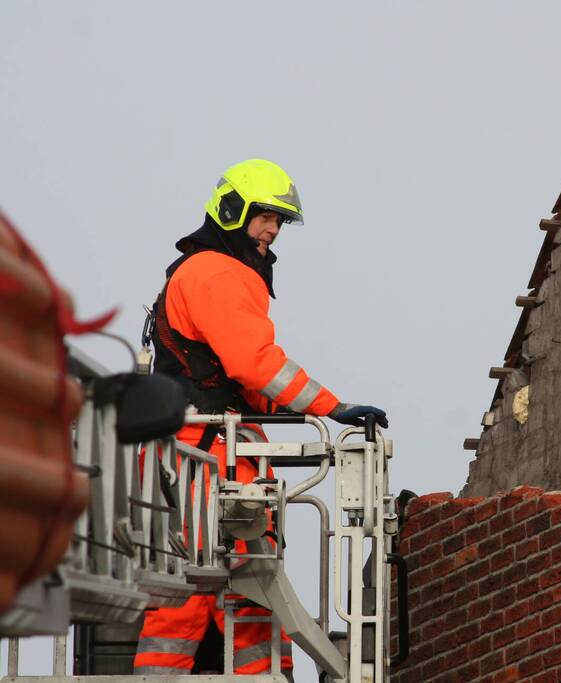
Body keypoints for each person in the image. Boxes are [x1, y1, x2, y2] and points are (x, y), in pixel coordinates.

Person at [133, 158, 387, 678]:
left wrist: (290, 403)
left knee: (224, 587)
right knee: (217, 582)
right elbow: (254, 363)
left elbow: (241, 381)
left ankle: (258, 674)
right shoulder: (218, 271)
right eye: (265, 216)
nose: (273, 229)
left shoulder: (207, 270)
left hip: (199, 447)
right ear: (232, 211)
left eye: (280, 220)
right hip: (205, 451)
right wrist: (331, 407)